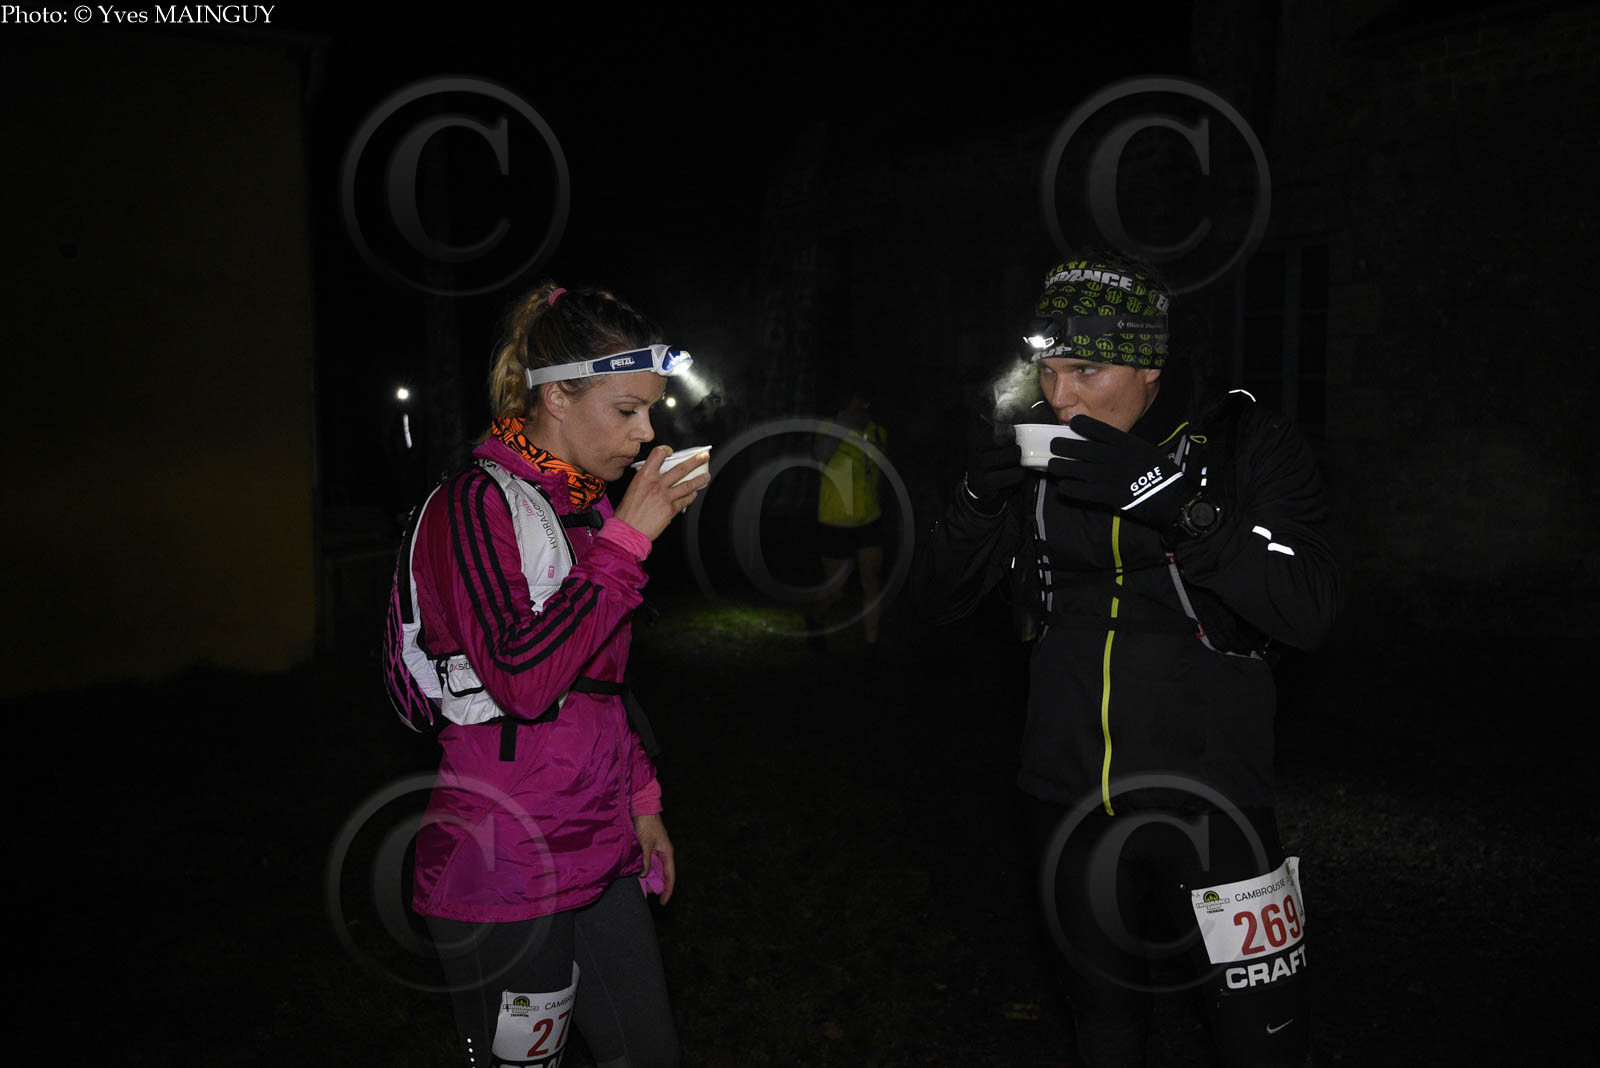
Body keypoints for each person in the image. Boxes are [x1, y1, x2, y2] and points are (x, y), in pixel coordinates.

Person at [916, 252, 1340, 1066]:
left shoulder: (1246, 441)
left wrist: (1177, 504)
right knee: (1104, 1031)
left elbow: (1310, 607)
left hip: (1215, 802)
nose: (1060, 397)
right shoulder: (1035, 451)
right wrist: (975, 503)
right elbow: (935, 601)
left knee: (1264, 1040)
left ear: (1151, 366)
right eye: (1049, 370)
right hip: (1066, 797)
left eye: (1088, 370)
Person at [401, 280, 706, 1068]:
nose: (646, 434)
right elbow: (522, 680)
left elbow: (599, 687)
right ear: (558, 396)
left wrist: (642, 803)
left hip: (597, 845)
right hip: (503, 864)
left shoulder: (586, 511)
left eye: (652, 412)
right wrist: (629, 543)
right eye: (628, 409)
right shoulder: (473, 506)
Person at [805, 391, 888, 659]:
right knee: (836, 590)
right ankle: (815, 617)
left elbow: (881, 471)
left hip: (869, 517)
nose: (861, 407)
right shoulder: (829, 427)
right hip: (835, 519)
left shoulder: (877, 432)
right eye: (855, 403)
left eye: (865, 403)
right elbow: (820, 456)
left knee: (871, 582)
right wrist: (843, 426)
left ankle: (872, 645)